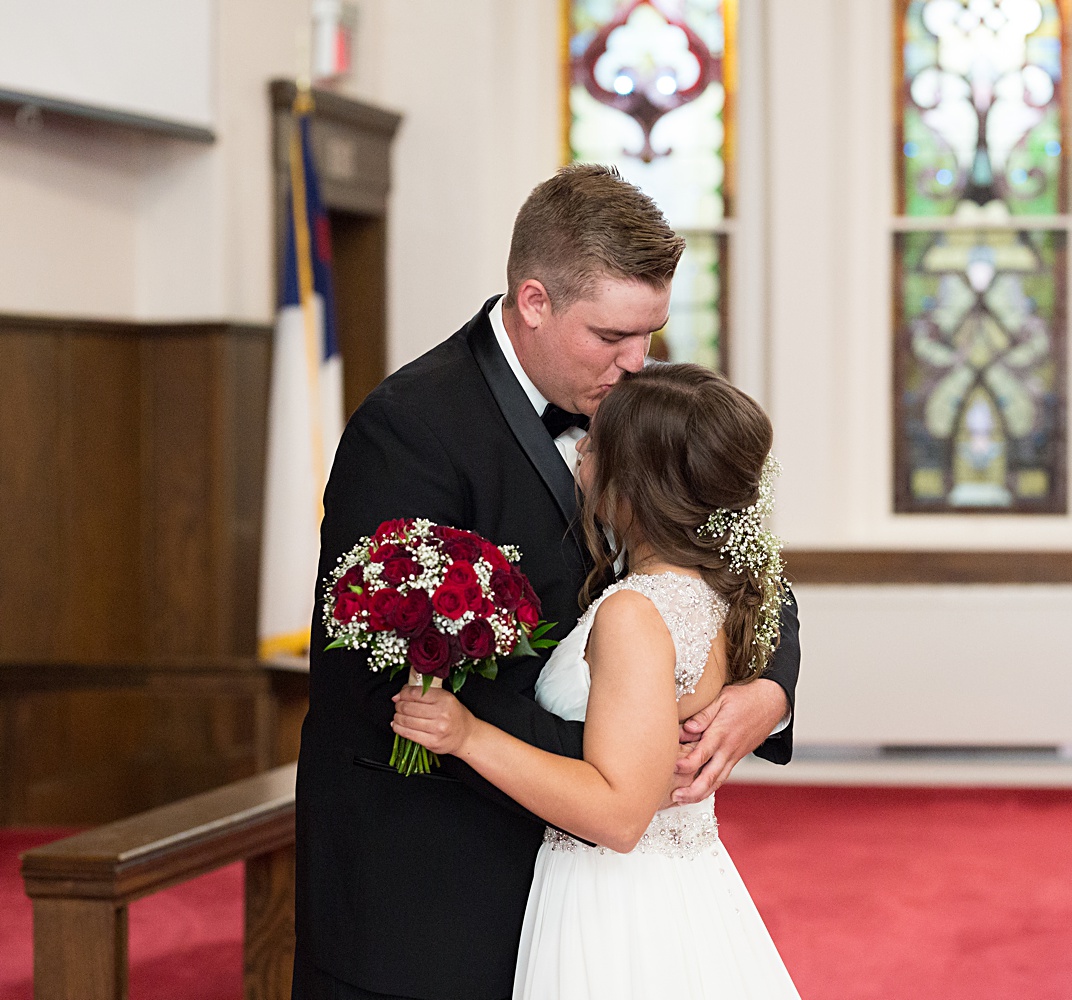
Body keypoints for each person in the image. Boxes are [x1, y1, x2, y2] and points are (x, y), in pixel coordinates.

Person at [293, 164, 800, 1000]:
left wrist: (766, 694)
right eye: (612, 337)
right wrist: (626, 770)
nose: (637, 363)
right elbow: (393, 660)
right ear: (535, 301)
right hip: (435, 879)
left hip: (597, 883)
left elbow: (743, 555)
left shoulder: (635, 403)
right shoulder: (411, 430)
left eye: (652, 334)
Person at [392, 363, 801, 998]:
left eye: (595, 444)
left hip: (616, 897)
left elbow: (617, 815)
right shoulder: (720, 590)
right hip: (676, 887)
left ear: (632, 484)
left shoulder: (633, 613)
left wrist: (468, 735)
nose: (580, 448)